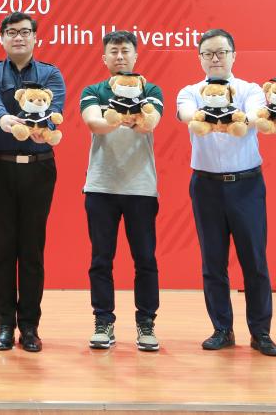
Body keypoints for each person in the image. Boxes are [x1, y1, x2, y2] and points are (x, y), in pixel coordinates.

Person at [175, 28, 276, 356]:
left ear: (233, 55)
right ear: (200, 58)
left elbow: (255, 117)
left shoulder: (250, 90)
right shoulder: (190, 91)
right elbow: (187, 116)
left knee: (254, 261)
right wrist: (211, 118)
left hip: (246, 185)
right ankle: (222, 329)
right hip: (206, 186)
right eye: (208, 53)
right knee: (213, 261)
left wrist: (227, 119)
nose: (215, 59)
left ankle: (261, 333)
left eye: (221, 52)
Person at [0, 11, 65, 353]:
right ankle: (3, 325)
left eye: (25, 32)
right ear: (1, 38)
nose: (19, 37)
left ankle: (29, 326)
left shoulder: (50, 74)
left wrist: (44, 129)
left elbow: (54, 110)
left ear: (35, 38)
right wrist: (5, 120)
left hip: (39, 169)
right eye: (11, 32)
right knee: (2, 248)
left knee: (32, 249)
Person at [79, 30, 163, 351]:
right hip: (101, 186)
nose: (119, 56)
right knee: (101, 259)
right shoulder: (94, 90)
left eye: (125, 50)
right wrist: (118, 119)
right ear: (104, 58)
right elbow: (93, 122)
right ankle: (103, 322)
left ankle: (146, 324)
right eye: (113, 51)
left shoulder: (150, 89)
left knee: (145, 259)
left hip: (140, 188)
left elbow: (150, 122)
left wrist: (135, 119)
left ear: (135, 56)